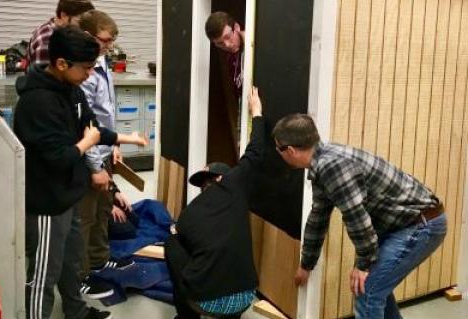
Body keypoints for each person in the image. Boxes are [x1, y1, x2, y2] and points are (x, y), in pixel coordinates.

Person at [14, 26, 147, 319]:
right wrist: (86, 143)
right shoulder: (36, 103)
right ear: (62, 64)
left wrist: (124, 139)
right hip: (47, 202)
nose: (90, 74)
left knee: (71, 262)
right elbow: (58, 157)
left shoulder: (70, 89)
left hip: (69, 194)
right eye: (86, 68)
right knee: (44, 272)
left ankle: (76, 311)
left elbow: (91, 127)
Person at [272, 113, 447, 319]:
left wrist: (364, 264)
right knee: (375, 288)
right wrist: (306, 264)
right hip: (405, 225)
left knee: (368, 291)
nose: (278, 153)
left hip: (420, 225)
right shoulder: (322, 163)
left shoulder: (332, 166)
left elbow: (357, 219)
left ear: (290, 151)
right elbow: (318, 217)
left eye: (278, 149)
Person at [165, 87, 264, 319]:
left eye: (206, 181)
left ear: (219, 179)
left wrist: (177, 231)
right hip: (245, 297)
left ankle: (185, 316)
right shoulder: (235, 187)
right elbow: (256, 150)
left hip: (205, 304)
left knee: (171, 243)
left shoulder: (188, 214)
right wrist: (257, 112)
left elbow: (184, 241)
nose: (204, 187)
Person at [76, 9, 134, 299]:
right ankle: (80, 275)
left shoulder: (100, 61)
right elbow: (85, 124)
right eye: (105, 41)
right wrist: (95, 164)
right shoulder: (83, 71)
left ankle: (98, 260)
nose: (109, 46)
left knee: (101, 212)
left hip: (104, 151)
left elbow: (106, 111)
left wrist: (116, 146)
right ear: (87, 35)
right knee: (85, 217)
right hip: (91, 156)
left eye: (111, 42)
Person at [27, 0, 95, 66]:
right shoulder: (47, 40)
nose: (84, 26)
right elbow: (42, 76)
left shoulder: (65, 33)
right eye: (80, 20)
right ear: (64, 15)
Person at [205, 11, 245, 101]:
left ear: (236, 27)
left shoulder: (255, 44)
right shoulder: (231, 61)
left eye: (228, 37)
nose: (227, 45)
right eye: (220, 43)